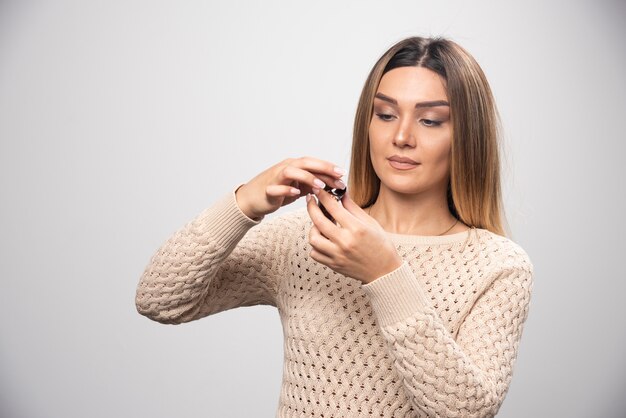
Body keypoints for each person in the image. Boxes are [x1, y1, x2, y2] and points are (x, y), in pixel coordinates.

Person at [135, 35, 534, 417]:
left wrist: (384, 273)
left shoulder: (497, 266)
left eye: (430, 121)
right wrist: (244, 204)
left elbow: (465, 410)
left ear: (467, 136)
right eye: (385, 114)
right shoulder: (308, 237)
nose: (401, 136)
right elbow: (159, 298)